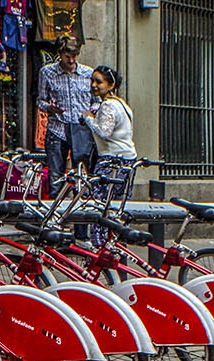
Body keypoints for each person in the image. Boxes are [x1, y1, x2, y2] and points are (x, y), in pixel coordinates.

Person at [81, 65, 134, 246]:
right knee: (118, 207)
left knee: (99, 206)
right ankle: (116, 244)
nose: (94, 85)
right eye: (92, 81)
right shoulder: (123, 104)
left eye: (99, 82)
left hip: (111, 160)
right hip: (128, 160)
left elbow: (104, 132)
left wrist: (88, 118)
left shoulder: (108, 105)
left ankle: (101, 246)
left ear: (111, 85)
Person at [36, 36, 94, 197]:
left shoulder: (87, 73)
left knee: (81, 177)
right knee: (56, 177)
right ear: (60, 54)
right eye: (67, 56)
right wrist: (51, 108)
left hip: (80, 130)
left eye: (74, 56)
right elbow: (40, 100)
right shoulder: (47, 72)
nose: (71, 60)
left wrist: (90, 113)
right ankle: (56, 218)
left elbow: (96, 101)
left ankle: (80, 218)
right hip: (57, 129)